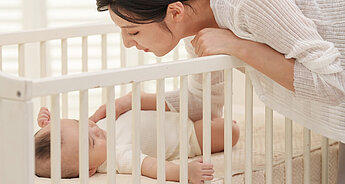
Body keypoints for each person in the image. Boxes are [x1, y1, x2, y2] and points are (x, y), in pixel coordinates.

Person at [96, 0, 345, 182]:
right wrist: (133, 101)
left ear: (175, 11)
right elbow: (201, 103)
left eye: (133, 31)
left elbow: (332, 84)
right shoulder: (199, 35)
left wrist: (237, 45)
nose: (127, 43)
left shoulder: (247, 6)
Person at [34, 93, 240, 184]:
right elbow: (151, 166)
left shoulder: (86, 134)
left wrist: (49, 124)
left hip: (171, 112)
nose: (94, 130)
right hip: (188, 134)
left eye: (81, 124)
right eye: (91, 142)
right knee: (229, 131)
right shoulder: (116, 156)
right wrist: (184, 173)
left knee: (207, 107)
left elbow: (64, 135)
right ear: (90, 170)